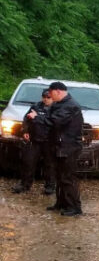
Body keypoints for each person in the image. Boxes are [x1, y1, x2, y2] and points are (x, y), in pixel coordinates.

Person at [29, 81, 83, 216]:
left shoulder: (70, 106)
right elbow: (49, 118)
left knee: (67, 178)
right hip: (59, 146)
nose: (50, 97)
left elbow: (53, 121)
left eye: (51, 93)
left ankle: (74, 208)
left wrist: (37, 117)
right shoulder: (60, 104)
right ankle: (61, 203)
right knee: (59, 177)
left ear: (58, 91)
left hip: (69, 147)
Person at [12, 89, 56, 194]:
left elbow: (53, 122)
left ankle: (50, 187)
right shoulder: (35, 106)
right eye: (44, 97)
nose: (46, 99)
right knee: (28, 162)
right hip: (34, 140)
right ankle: (24, 185)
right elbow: (26, 119)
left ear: (53, 98)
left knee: (49, 165)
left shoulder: (56, 109)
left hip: (49, 141)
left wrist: (38, 116)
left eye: (48, 97)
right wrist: (25, 131)